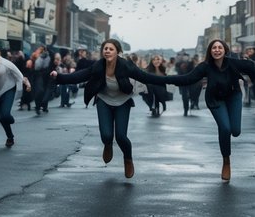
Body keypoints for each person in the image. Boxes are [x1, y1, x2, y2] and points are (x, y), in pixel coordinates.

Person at [51, 38, 170, 179]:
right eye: (105, 48)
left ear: (117, 52)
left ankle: (128, 159)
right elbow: (80, 75)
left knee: (121, 136)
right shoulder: (98, 66)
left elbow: (147, 77)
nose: (107, 51)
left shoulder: (126, 66)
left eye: (111, 49)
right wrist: (59, 77)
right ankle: (108, 144)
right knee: (106, 135)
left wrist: (170, 80)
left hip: (122, 101)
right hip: (104, 100)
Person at [162, 38, 255, 182]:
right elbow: (186, 79)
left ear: (225, 50)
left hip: (233, 96)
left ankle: (228, 152)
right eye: (214, 48)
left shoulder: (234, 63)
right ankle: (226, 161)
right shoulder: (205, 67)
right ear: (210, 51)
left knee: (235, 131)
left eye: (219, 47)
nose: (217, 50)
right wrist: (162, 79)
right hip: (216, 99)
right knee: (225, 129)